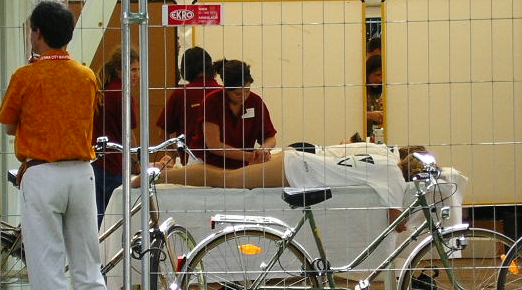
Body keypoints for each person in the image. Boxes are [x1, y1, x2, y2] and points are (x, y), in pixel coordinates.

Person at [0, 1, 132, 290]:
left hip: (41, 174)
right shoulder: (86, 75)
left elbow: (9, 126)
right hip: (81, 173)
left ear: (37, 32)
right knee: (88, 268)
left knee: (48, 271)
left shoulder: (25, 76)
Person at [141, 144, 429, 231]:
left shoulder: (387, 159)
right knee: (226, 180)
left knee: (226, 176)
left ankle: (171, 172)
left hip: (296, 163)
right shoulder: (394, 176)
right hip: (295, 170)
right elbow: (397, 221)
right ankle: (166, 175)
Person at [189, 59, 277, 169]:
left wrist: (264, 149)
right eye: (238, 94)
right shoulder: (211, 102)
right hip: (207, 163)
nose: (244, 97)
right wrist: (249, 157)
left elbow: (270, 138)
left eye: (247, 91)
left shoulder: (255, 102)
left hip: (241, 165)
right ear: (226, 89)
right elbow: (214, 145)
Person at [92, 47, 141, 228]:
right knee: (117, 219)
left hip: (96, 162)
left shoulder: (103, 89)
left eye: (137, 69)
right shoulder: (122, 94)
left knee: (99, 218)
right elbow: (128, 134)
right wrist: (136, 162)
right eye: (132, 69)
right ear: (119, 70)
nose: (136, 74)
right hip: (113, 164)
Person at [155, 46, 220, 148]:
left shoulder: (181, 94)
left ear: (185, 70)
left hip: (190, 157)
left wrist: (180, 153)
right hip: (224, 158)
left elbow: (163, 133)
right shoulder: (224, 92)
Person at [365, 54, 383, 137]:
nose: (380, 79)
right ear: (368, 73)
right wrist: (370, 115)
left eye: (383, 76)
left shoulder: (380, 91)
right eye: (378, 75)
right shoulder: (358, 92)